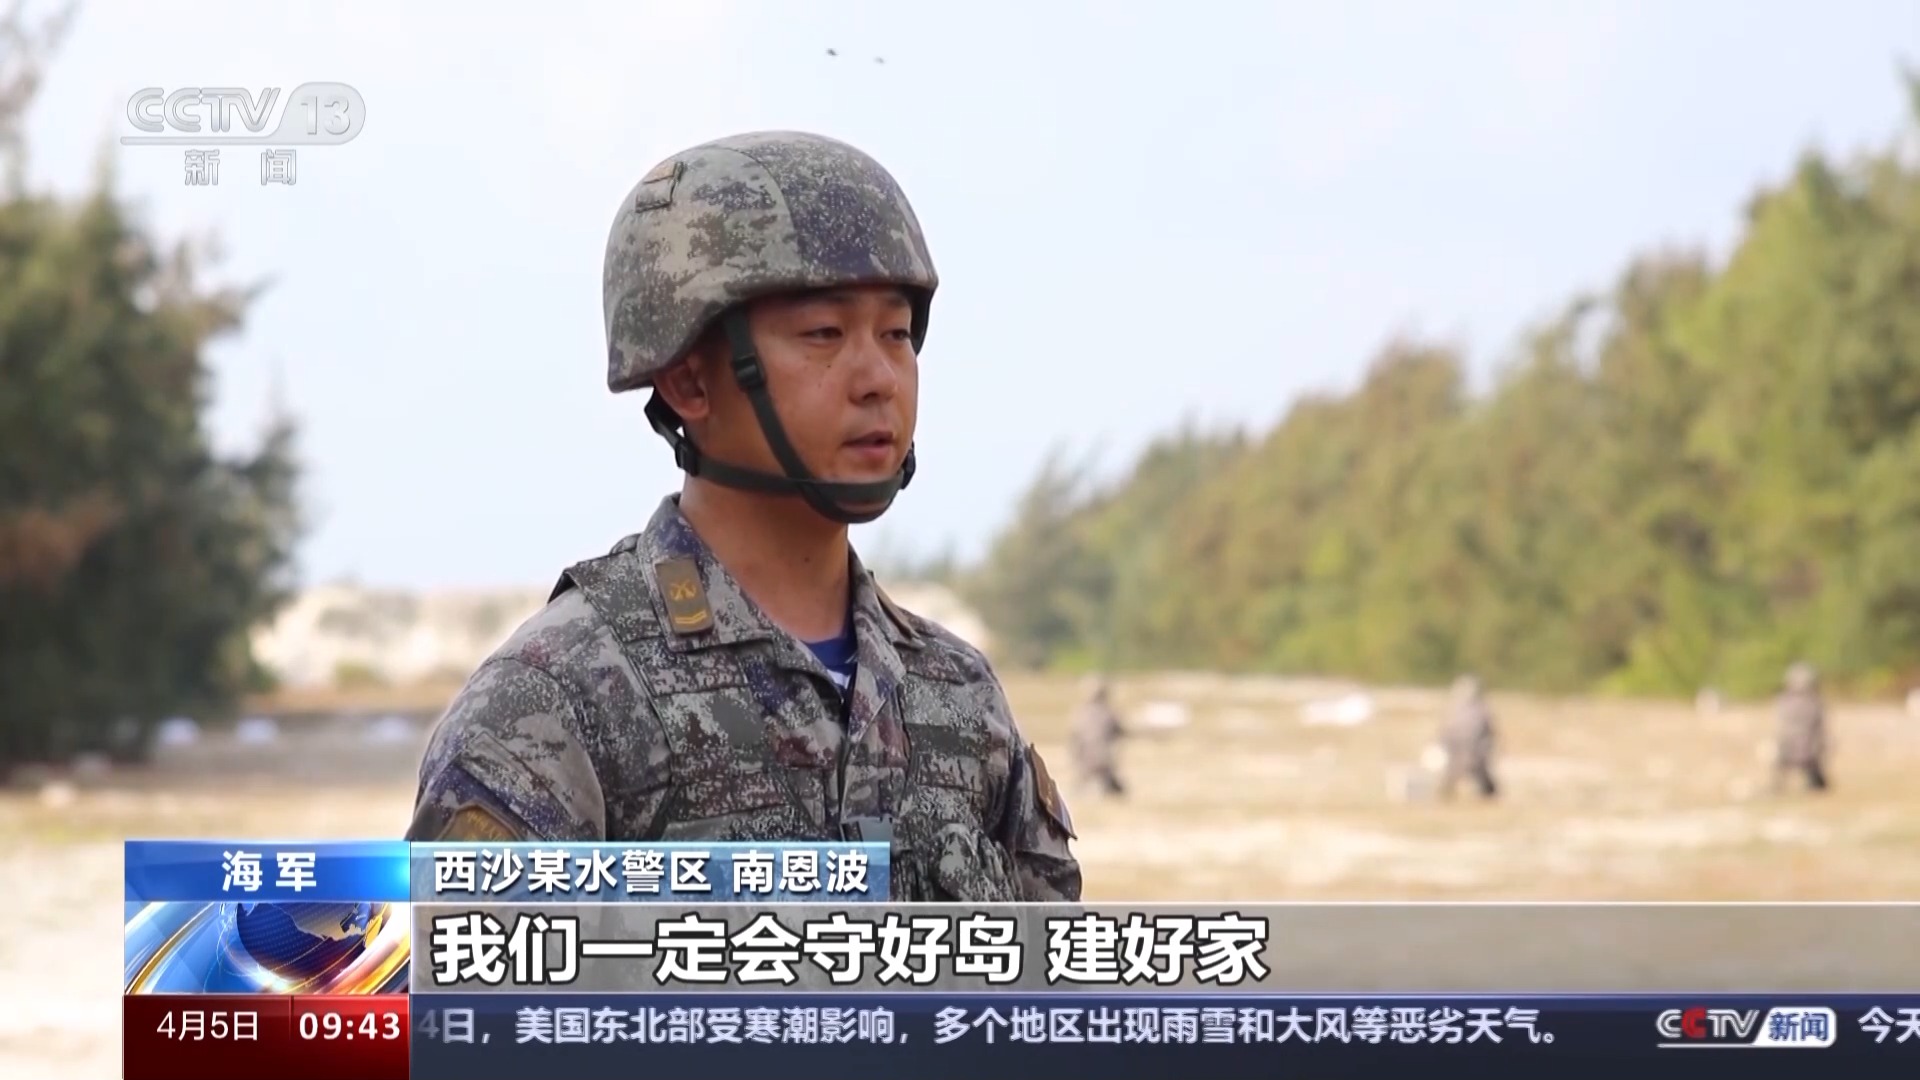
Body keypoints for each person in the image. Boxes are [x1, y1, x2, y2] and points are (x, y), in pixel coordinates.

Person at [404, 131, 1081, 904]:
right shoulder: (561, 702)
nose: (879, 379)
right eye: (823, 334)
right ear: (690, 382)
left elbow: (1049, 972)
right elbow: (467, 977)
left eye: (896, 334)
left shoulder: (957, 697)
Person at [1437, 674, 1497, 800]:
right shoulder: (1456, 709)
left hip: (1475, 750)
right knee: (1453, 772)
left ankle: (1488, 794)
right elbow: (1447, 731)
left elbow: (1487, 732)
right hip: (1457, 749)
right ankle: (1446, 793)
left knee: (1479, 773)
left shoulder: (1481, 710)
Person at [1773, 661, 1829, 793]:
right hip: (1804, 750)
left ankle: (1813, 782)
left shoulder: (1786, 701)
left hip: (1799, 749)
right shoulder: (1814, 702)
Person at [1070, 675, 1127, 797]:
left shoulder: (1080, 714)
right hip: (1103, 763)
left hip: (1084, 764)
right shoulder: (1108, 713)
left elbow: (1074, 740)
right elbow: (1122, 732)